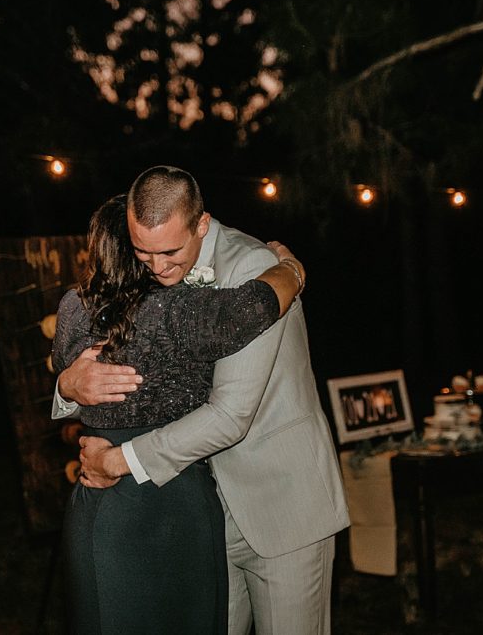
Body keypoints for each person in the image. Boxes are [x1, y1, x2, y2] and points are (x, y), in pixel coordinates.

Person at [54, 166, 350, 635]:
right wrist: (68, 385)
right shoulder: (150, 271)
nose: (157, 267)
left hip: (278, 504)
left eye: (170, 251)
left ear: (203, 225)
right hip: (198, 513)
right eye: (142, 251)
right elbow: (127, 355)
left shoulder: (252, 269)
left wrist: (119, 460)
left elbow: (231, 415)